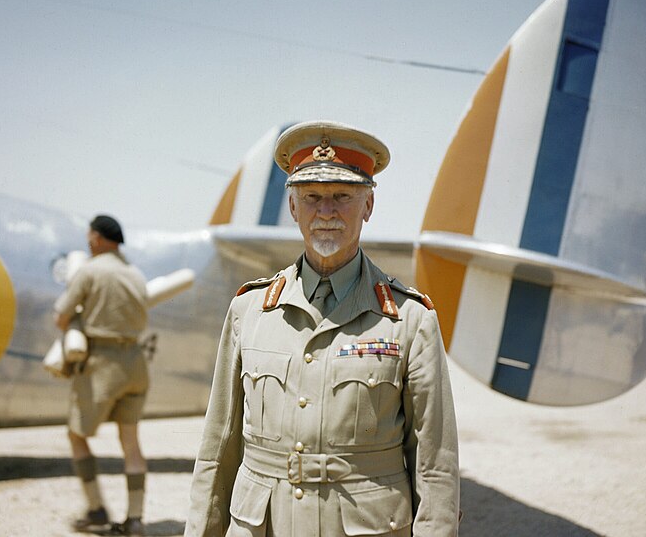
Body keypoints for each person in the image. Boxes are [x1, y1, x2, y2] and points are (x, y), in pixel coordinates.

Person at [185, 121, 460, 536]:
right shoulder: (249, 310)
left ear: (367, 206)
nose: (326, 212)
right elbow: (217, 451)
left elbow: (434, 463)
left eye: (342, 197)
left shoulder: (410, 319)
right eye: (311, 197)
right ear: (293, 208)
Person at [54, 215, 149, 536]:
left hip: (102, 365)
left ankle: (96, 509)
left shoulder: (90, 271)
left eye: (89, 235)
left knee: (76, 434)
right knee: (131, 441)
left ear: (97, 238)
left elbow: (61, 317)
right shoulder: (135, 273)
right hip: (136, 363)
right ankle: (135, 520)